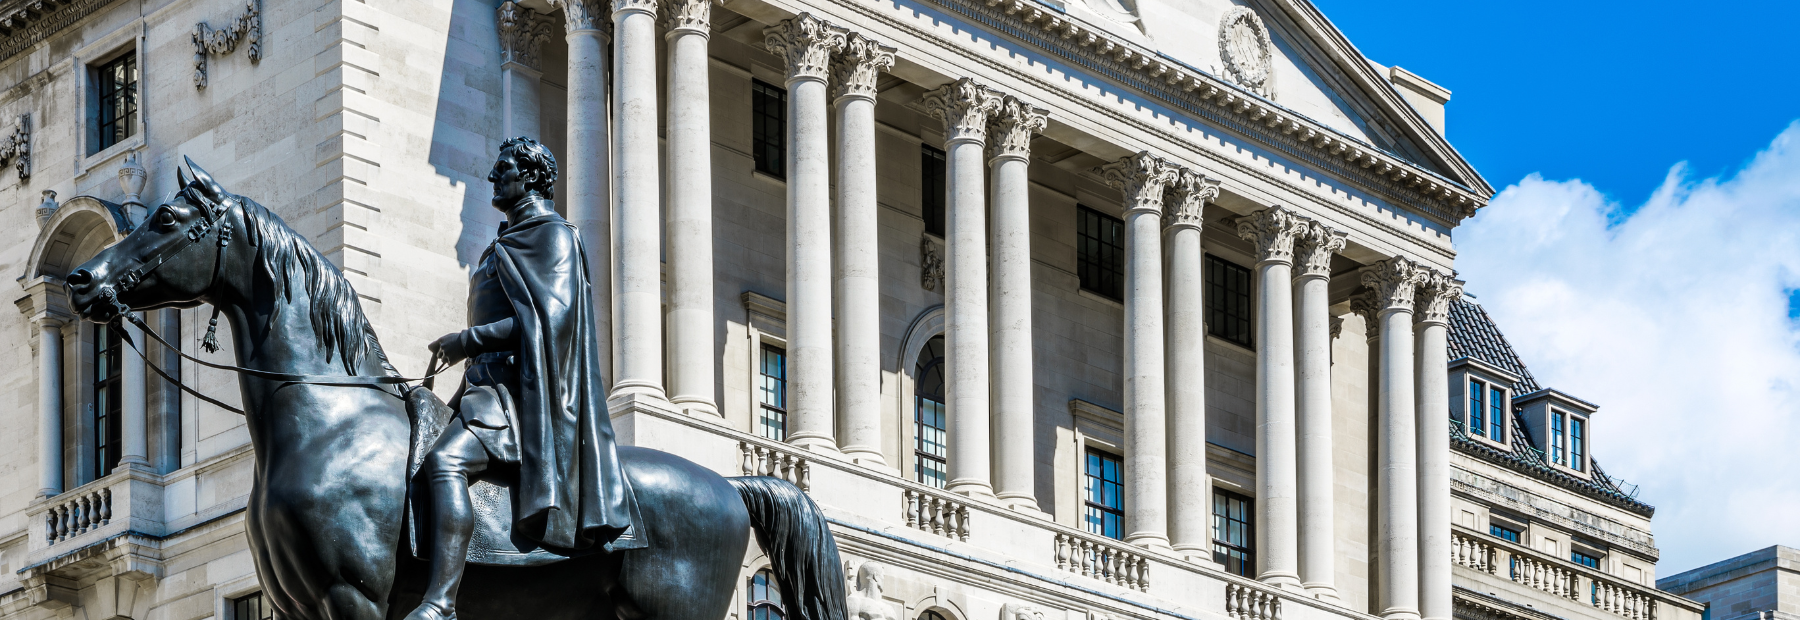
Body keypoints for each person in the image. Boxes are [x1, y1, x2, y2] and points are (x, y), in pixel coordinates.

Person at [406, 137, 636, 620]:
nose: (493, 178)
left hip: (522, 395)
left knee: (445, 463)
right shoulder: (508, 240)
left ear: (529, 176)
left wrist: (468, 340)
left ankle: (440, 602)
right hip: (484, 388)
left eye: (503, 168)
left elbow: (550, 320)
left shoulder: (553, 236)